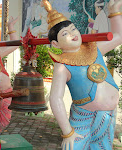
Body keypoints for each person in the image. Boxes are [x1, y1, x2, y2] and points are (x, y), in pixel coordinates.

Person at [41, 0, 122, 149]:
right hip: (83, 116)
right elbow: (55, 98)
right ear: (56, 44)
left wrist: (114, 12)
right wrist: (67, 132)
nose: (72, 34)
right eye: (65, 33)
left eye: (73, 29)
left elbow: (118, 37)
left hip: (108, 115)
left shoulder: (94, 49)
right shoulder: (62, 64)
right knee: (73, 146)